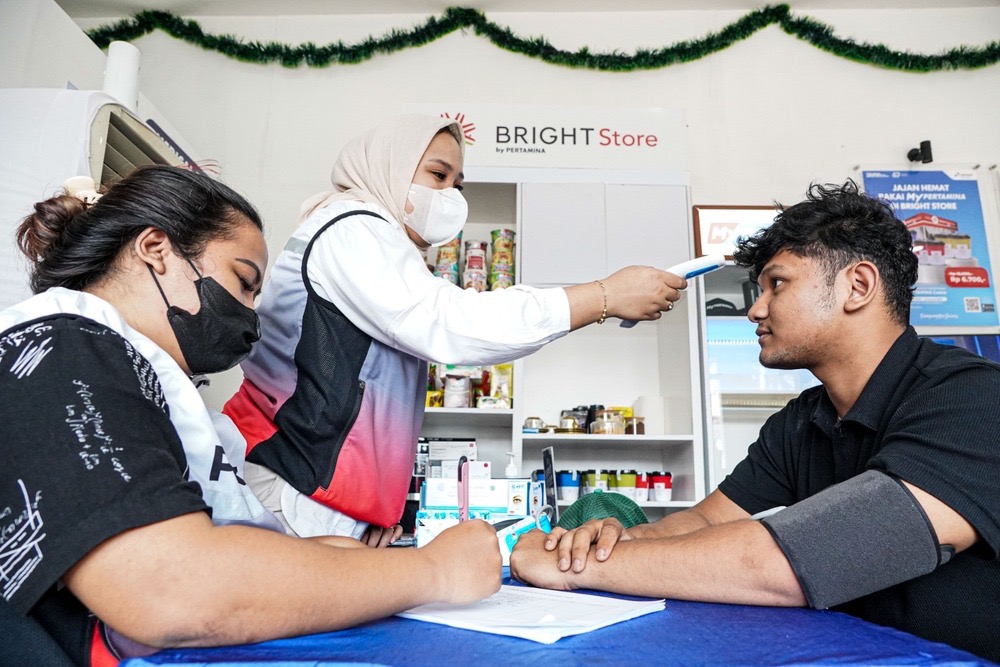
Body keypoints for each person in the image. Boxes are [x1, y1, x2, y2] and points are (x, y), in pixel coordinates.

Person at [0, 165, 501, 665]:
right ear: (155, 249)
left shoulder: (117, 366)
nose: (250, 314)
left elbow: (201, 542)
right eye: (243, 282)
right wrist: (434, 572)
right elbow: (172, 590)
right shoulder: (62, 352)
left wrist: (338, 559)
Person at [509, 181, 1000, 662]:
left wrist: (574, 570)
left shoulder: (973, 397)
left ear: (859, 286)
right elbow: (705, 520)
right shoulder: (802, 420)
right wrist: (598, 543)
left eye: (777, 284)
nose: (755, 309)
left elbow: (802, 559)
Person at [223, 114, 687, 544]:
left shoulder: (380, 243)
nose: (450, 195)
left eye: (457, 183)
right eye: (437, 175)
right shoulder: (352, 229)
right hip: (291, 487)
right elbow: (449, 324)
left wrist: (377, 512)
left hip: (326, 502)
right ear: (388, 167)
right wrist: (601, 296)